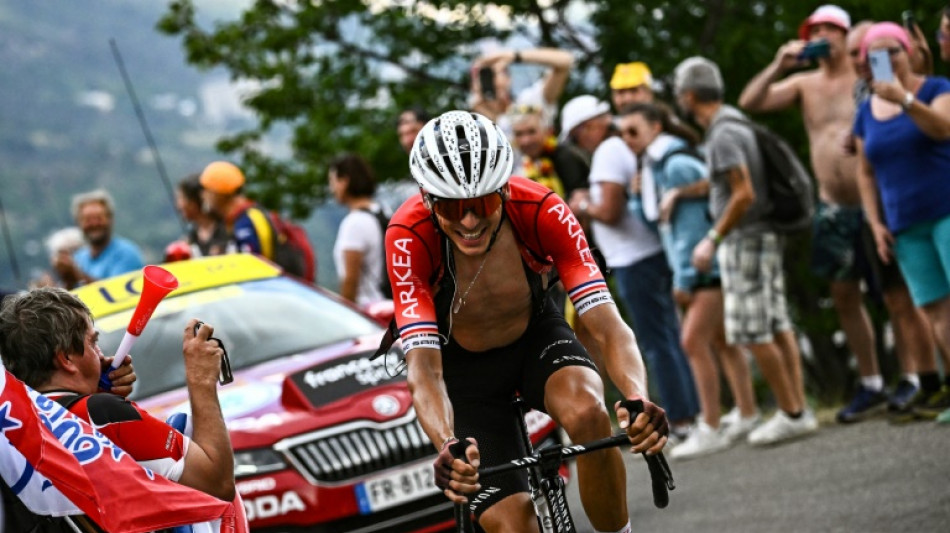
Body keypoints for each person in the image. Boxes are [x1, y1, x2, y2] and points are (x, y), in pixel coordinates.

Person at [390, 110, 667, 533]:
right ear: (428, 199)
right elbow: (424, 369)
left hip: (535, 339)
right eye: (451, 207)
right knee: (514, 522)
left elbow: (608, 325)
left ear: (502, 189)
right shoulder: (408, 236)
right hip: (464, 375)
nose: (469, 221)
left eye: (483, 203)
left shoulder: (539, 208)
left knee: (590, 412)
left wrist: (636, 397)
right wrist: (448, 443)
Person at [738, 6, 935, 423]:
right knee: (844, 293)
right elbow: (750, 101)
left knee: (897, 296)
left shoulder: (867, 76)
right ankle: (871, 382)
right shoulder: (805, 82)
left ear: (847, 36)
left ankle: (915, 376)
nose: (822, 35)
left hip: (874, 201)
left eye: (829, 29)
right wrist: (779, 63)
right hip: (831, 205)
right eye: (815, 30)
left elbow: (913, 79)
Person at [674, 56, 819, 445]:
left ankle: (790, 412)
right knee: (777, 323)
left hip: (745, 238)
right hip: (763, 233)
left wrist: (713, 239)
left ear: (689, 95)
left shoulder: (722, 133)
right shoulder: (736, 121)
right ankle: (799, 409)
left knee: (754, 330)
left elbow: (743, 193)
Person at [618, 102, 761, 459]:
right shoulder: (654, 167)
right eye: (622, 133)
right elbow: (661, 225)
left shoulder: (676, 164)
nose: (627, 139)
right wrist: (637, 197)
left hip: (703, 268)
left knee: (693, 341)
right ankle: (746, 411)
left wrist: (684, 277)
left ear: (655, 127)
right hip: (697, 266)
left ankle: (709, 425)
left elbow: (691, 229)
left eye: (633, 130)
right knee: (721, 340)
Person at [0, 288, 236, 503]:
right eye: (93, 343)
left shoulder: (13, 427)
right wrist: (201, 380)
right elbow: (217, 483)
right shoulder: (101, 414)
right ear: (67, 359)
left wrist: (95, 388)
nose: (101, 355)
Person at [566, 94, 700, 442]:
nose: (580, 143)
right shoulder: (619, 148)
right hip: (646, 253)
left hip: (634, 257)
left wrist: (582, 205)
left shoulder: (609, 150)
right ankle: (692, 413)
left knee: (656, 342)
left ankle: (682, 420)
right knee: (668, 336)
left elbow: (609, 210)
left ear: (592, 125)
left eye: (579, 135)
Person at [854, 22, 950, 423]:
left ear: (910, 51)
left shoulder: (935, 88)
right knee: (935, 310)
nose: (887, 59)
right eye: (874, 54)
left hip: (944, 209)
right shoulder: (865, 111)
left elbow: (944, 129)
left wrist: (906, 99)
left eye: (893, 49)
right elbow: (864, 171)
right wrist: (875, 223)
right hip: (903, 224)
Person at [470, 47, 574, 139]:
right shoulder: (469, 124)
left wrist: (513, 56)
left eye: (493, 74)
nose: (490, 81)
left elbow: (565, 61)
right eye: (482, 76)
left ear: (508, 78)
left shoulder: (528, 102)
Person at [52, 190, 144, 289]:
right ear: (78, 223)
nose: (94, 224)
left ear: (110, 219)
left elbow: (117, 293)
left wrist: (77, 275)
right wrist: (67, 279)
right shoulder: (78, 258)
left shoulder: (127, 253)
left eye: (98, 218)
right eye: (87, 220)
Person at [329, 153, 387, 306]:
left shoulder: (354, 223)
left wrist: (346, 312)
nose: (331, 189)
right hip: (389, 304)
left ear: (344, 181)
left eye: (333, 181)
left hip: (367, 308)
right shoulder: (383, 212)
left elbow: (350, 281)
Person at [200, 161, 278, 261]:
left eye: (206, 190)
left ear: (219, 193)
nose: (203, 195)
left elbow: (255, 264)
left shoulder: (249, 219)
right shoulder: (236, 220)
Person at [176, 173, 231, 257]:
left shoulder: (229, 230)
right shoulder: (189, 241)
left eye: (181, 198)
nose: (179, 206)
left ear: (194, 201)